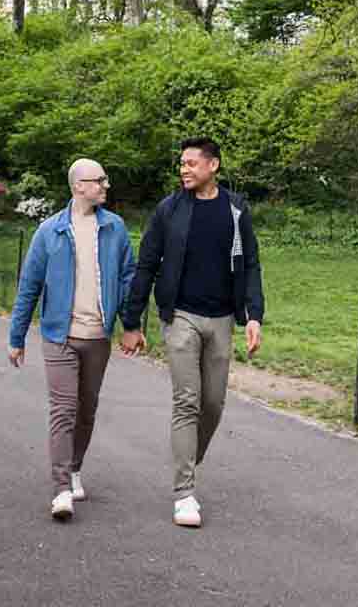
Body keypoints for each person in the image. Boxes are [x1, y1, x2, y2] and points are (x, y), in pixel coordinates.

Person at [118, 137, 263, 529]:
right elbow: (146, 265)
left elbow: (250, 263)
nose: (184, 169)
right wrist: (132, 322)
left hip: (221, 321)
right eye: (181, 163)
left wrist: (253, 315)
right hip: (180, 316)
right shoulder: (169, 210)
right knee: (188, 401)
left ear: (213, 166)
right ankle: (184, 493)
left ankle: (187, 458)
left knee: (213, 404)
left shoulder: (235, 210)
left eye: (192, 163)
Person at [8, 159, 135, 520]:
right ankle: (61, 488)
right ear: (79, 186)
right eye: (100, 181)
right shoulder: (49, 232)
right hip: (59, 336)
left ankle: (75, 467)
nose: (106, 186)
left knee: (86, 409)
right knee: (63, 410)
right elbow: (28, 287)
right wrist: (16, 336)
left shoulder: (114, 228)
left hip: (98, 336)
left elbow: (128, 279)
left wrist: (131, 324)